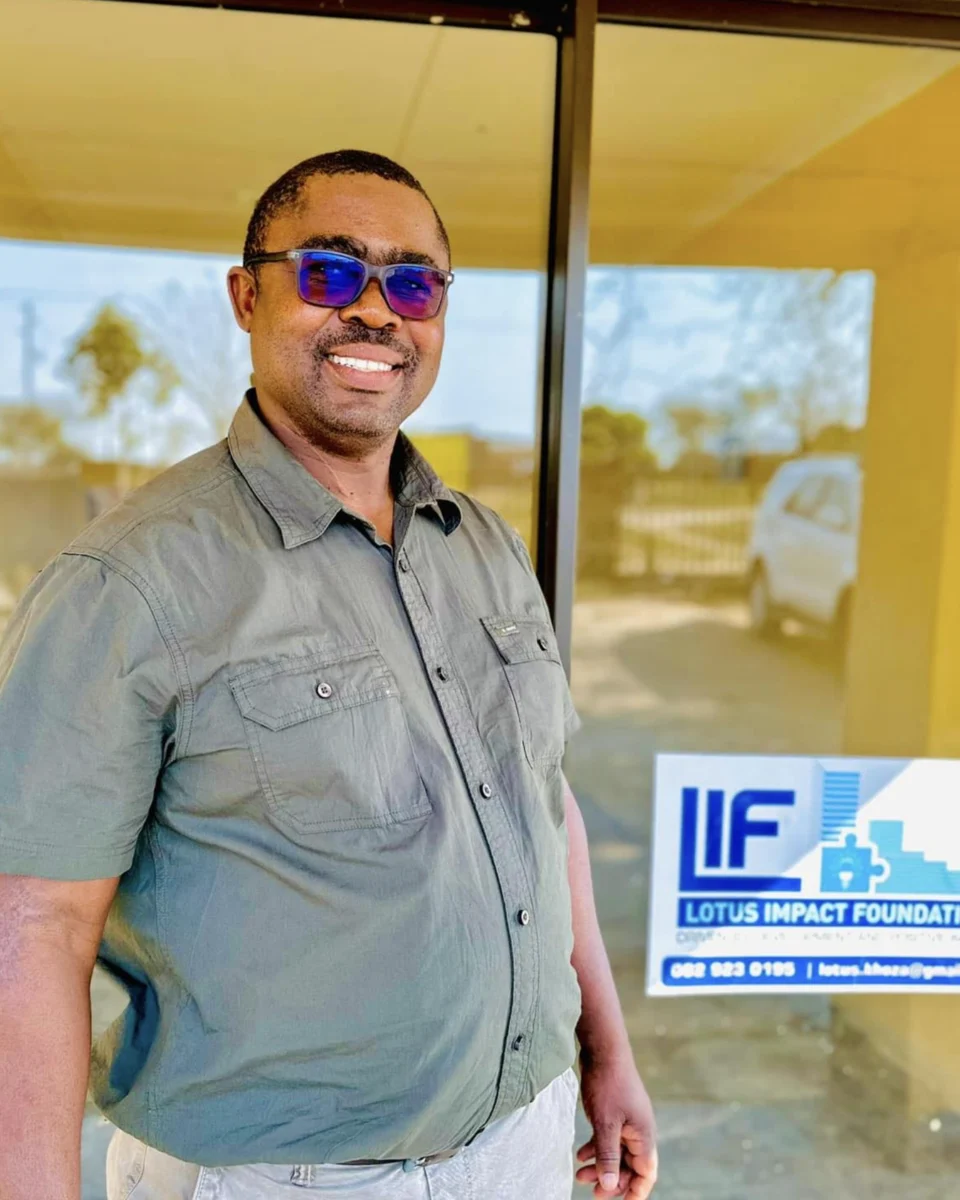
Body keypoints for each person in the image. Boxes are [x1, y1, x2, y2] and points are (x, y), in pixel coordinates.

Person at [0, 149, 657, 1200]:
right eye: (330, 273)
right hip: (281, 1178)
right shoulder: (127, 582)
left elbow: (540, 801)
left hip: (524, 1142)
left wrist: (605, 1053)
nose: (376, 312)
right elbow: (33, 931)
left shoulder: (480, 543)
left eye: (412, 282)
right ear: (246, 296)